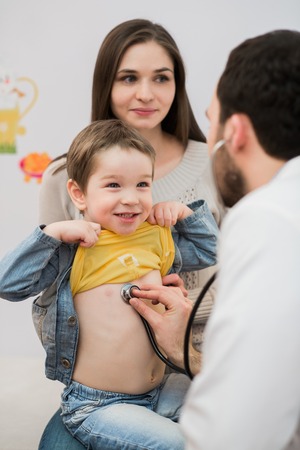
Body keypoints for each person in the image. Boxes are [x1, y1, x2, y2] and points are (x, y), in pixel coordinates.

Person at [38, 19, 224, 449]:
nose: (146, 93)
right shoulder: (63, 176)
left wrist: (187, 317)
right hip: (103, 390)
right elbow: (48, 296)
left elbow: (240, 271)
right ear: (106, 84)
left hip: (195, 368)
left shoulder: (217, 164)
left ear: (178, 85)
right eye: (128, 78)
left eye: (162, 78)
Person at [128, 29, 300, 449]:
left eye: (211, 119)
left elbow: (232, 430)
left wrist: (189, 352)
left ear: (235, 132)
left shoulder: (269, 217)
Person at [0, 119, 219, 449]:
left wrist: (187, 215)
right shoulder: (74, 248)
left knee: (230, 409)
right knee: (180, 444)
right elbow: (8, 284)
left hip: (160, 390)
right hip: (99, 405)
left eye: (142, 185)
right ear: (79, 193)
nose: (131, 198)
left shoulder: (156, 237)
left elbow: (212, 251)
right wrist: (51, 234)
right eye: (114, 185)